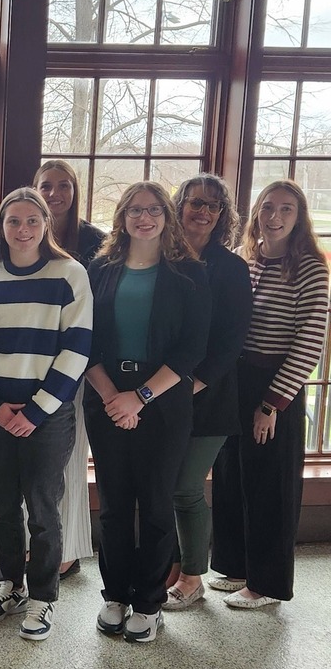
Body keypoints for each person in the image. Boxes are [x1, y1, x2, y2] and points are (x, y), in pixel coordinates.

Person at [84, 182, 210, 643]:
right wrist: (113, 397)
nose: (145, 218)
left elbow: (192, 348)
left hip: (163, 401)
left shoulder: (189, 274)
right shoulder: (99, 270)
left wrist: (139, 398)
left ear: (167, 217)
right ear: (121, 217)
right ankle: (116, 595)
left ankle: (149, 603)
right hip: (106, 395)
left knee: (156, 504)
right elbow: (84, 340)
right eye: (135, 210)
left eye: (154, 210)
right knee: (114, 505)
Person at [0, 188, 92, 641]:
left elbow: (77, 348)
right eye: (13, 221)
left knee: (42, 509)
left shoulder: (70, 274)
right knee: (2, 505)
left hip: (49, 415)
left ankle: (42, 596)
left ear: (46, 225)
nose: (22, 230)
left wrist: (38, 410)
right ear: (1, 227)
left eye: (31, 221)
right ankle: (10, 584)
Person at [210, 180, 329, 609]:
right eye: (267, 207)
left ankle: (267, 584)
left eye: (286, 209)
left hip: (275, 385)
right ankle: (236, 566)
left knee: (269, 486)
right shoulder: (247, 259)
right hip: (236, 379)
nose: (274, 217)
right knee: (231, 475)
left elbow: (310, 342)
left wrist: (271, 403)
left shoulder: (311, 268)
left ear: (299, 218)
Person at [163, 175, 251, 610]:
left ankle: (193, 577)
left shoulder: (231, 268)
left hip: (210, 396)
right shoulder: (164, 257)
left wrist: (193, 384)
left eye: (212, 206)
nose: (202, 211)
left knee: (185, 488)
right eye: (195, 202)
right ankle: (173, 567)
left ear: (222, 215)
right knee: (164, 484)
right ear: (179, 206)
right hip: (160, 392)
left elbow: (233, 340)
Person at [34, 159, 106, 578]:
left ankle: (69, 549)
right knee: (34, 465)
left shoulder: (94, 242)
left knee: (68, 459)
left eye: (64, 186)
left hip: (75, 364)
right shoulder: (26, 234)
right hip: (29, 364)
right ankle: (38, 544)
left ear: (75, 192)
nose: (55, 194)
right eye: (46, 186)